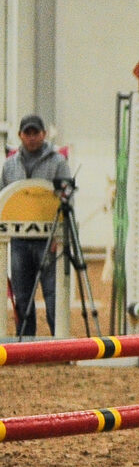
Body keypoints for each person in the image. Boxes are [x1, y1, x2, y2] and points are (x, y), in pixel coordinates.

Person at [3, 114, 71, 336]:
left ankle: (56, 340)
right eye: (27, 133)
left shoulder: (58, 162)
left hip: (48, 240)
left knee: (53, 294)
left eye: (36, 133)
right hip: (19, 240)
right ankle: (25, 342)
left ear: (43, 134)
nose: (32, 137)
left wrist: (60, 237)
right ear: (20, 135)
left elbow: (67, 200)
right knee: (22, 296)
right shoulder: (9, 166)